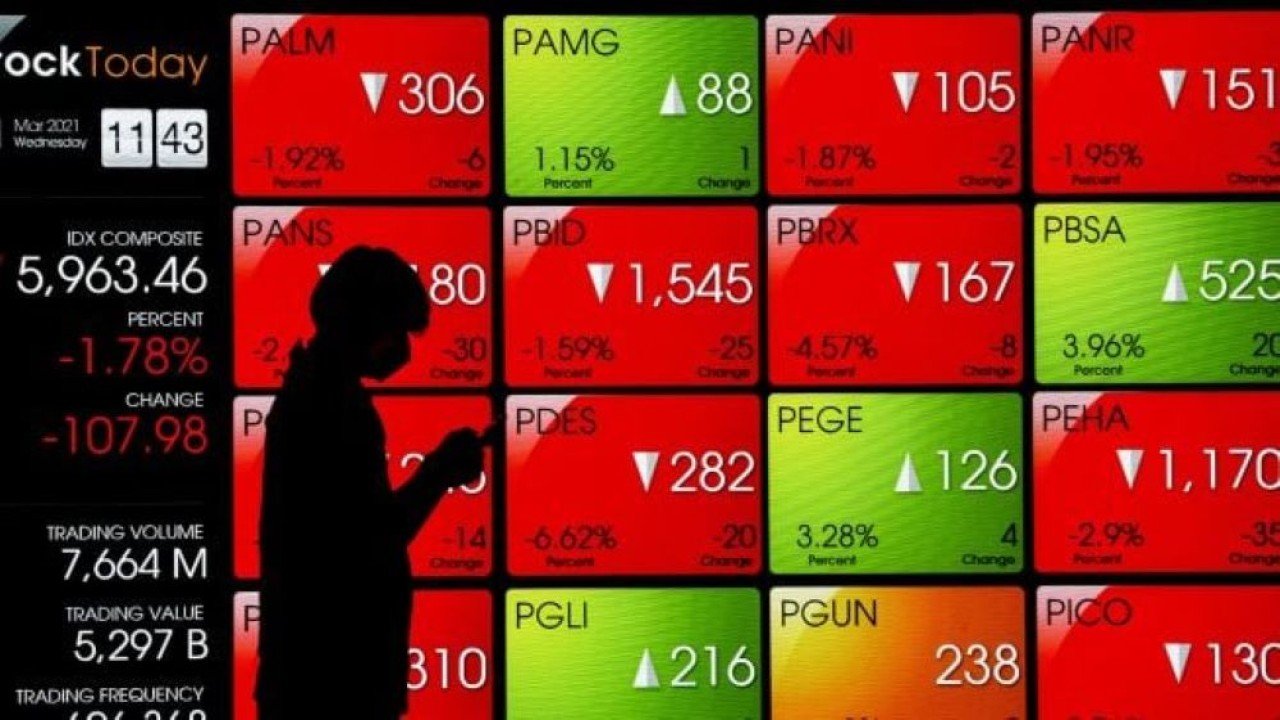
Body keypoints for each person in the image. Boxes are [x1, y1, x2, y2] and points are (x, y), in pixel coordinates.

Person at [255, 246, 485, 719]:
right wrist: (439, 472)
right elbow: (369, 539)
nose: (402, 349)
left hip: (313, 675)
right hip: (337, 680)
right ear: (364, 323)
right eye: (397, 331)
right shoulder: (333, 408)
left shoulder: (311, 392)